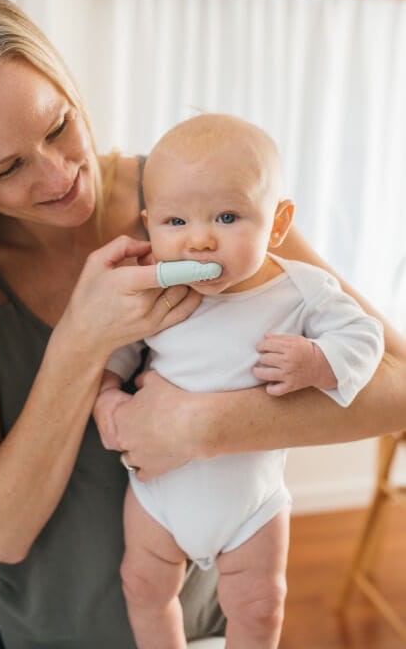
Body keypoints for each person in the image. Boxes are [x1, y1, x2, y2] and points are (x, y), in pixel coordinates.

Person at [0, 0, 405, 649]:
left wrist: (201, 426)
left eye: (59, 126)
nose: (59, 176)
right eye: (8, 168)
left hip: (205, 630)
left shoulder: (203, 197)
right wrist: (80, 341)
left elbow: (398, 386)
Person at [94, 114, 384, 649]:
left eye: (227, 217)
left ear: (278, 222)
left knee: (259, 605)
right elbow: (120, 344)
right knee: (143, 585)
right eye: (175, 222)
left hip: (251, 503)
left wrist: (318, 361)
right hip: (158, 495)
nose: (199, 241)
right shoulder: (155, 288)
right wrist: (108, 393)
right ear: (149, 226)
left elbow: (366, 337)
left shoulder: (302, 289)